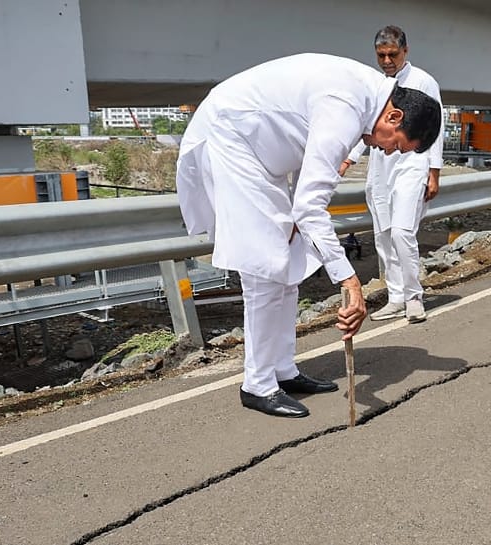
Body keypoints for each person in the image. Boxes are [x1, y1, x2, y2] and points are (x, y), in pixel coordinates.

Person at [176, 53, 441, 418]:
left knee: (289, 262)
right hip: (231, 138)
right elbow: (309, 204)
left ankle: (283, 370)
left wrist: (301, 222)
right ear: (394, 117)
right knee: (266, 268)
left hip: (263, 152)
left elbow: (311, 179)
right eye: (396, 144)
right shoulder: (346, 108)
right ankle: (257, 384)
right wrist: (350, 281)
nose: (387, 151)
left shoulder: (364, 101)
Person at [339, 25, 445, 324]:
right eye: (381, 55)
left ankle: (413, 297)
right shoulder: (375, 84)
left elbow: (435, 130)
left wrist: (434, 172)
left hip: (413, 161)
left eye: (392, 54)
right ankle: (395, 296)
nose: (387, 61)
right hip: (381, 164)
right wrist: (348, 159)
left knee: (402, 232)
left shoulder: (424, 81)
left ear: (405, 51)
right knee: (383, 235)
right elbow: (364, 126)